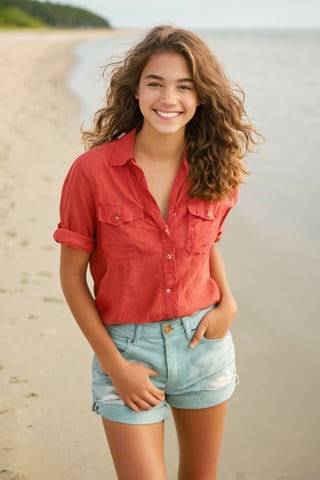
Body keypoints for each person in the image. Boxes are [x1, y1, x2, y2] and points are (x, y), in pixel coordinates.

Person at [54, 25, 260, 480]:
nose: (170, 98)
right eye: (156, 83)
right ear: (136, 92)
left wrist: (228, 303)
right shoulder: (91, 172)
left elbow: (206, 247)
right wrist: (116, 367)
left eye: (185, 86)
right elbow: (72, 279)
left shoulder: (219, 167)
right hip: (127, 352)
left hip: (203, 347)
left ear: (201, 96)